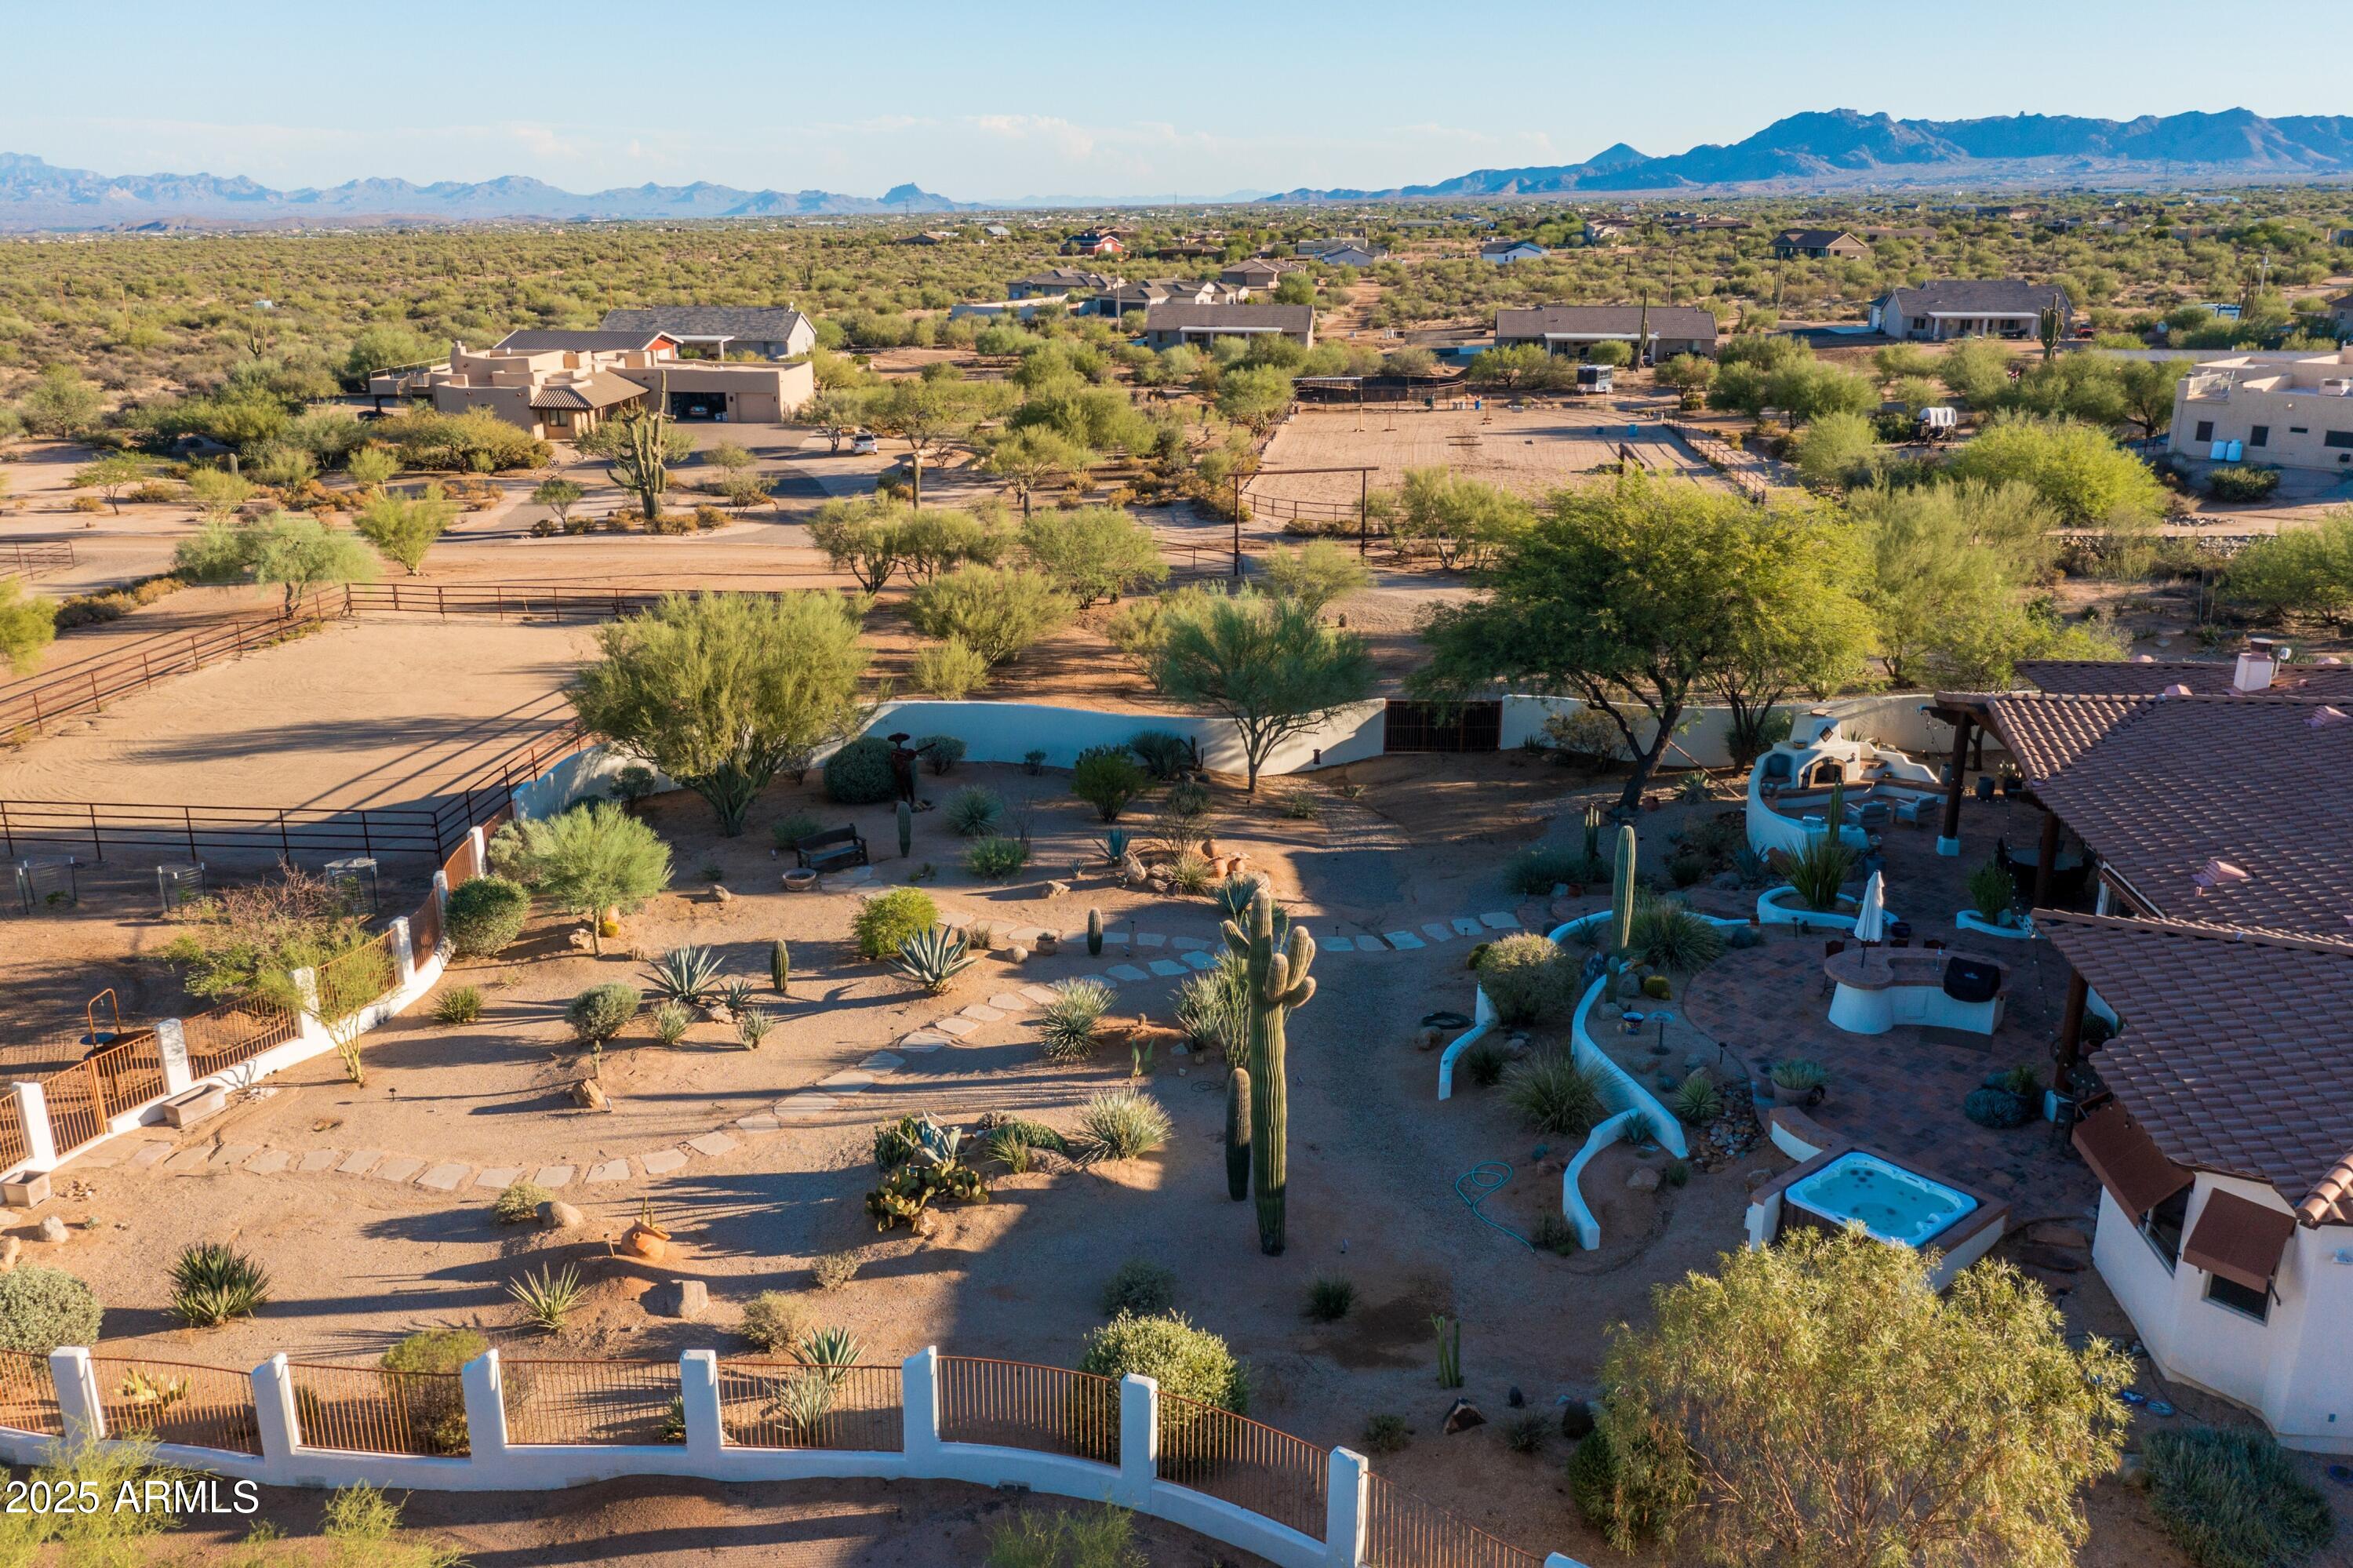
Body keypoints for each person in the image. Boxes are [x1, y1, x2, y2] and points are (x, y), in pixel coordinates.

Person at [885, 733, 936, 808]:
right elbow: (894, 760)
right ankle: (905, 801)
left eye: (900, 739)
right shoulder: (894, 751)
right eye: (897, 739)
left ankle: (913, 800)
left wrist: (911, 755)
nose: (899, 741)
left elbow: (911, 757)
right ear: (895, 741)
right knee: (902, 787)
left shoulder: (906, 750)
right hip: (899, 772)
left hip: (907, 771)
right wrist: (900, 761)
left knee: (910, 786)